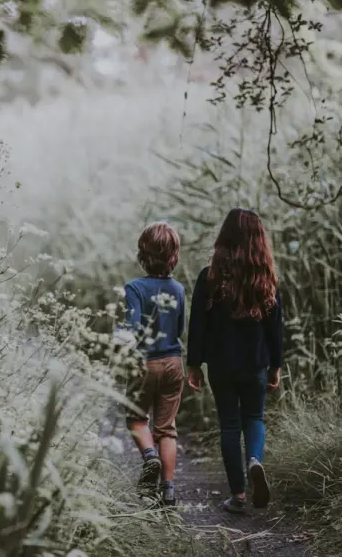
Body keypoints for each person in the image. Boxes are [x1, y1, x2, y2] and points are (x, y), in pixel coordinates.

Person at [186, 208, 283, 514]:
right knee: (254, 418)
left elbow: (197, 324)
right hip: (255, 363)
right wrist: (276, 365)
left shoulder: (210, 277)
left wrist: (194, 364)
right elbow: (275, 327)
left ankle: (239, 496)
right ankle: (255, 459)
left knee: (229, 425)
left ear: (223, 239)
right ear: (259, 241)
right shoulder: (265, 279)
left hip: (221, 365)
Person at [120, 221, 186, 507]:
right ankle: (168, 492)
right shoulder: (179, 289)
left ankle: (150, 458)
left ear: (142, 254)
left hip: (144, 363)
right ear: (174, 256)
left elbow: (131, 329)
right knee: (167, 428)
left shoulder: (134, 288)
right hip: (173, 362)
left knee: (135, 417)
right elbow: (180, 328)